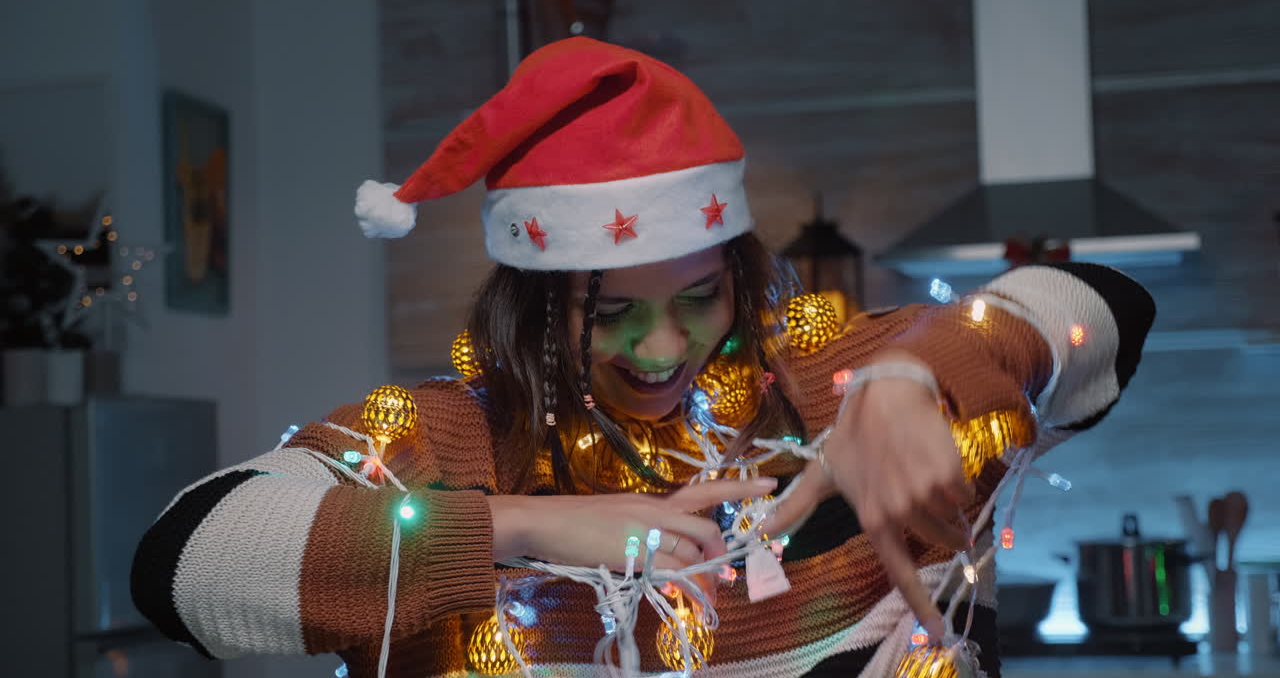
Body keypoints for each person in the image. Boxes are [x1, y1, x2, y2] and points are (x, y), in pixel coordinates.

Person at [131, 37, 1155, 677]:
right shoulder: (442, 438)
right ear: (529, 306)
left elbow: (1098, 308)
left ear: (737, 274)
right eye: (608, 310)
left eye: (697, 296)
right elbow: (182, 564)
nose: (659, 346)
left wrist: (909, 379)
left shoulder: (832, 378)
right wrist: (523, 526)